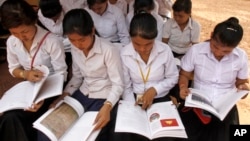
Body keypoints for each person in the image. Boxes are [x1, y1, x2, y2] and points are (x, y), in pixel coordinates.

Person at [37, 8, 124, 141]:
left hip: (104, 97)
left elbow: (118, 84)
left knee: (90, 134)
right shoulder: (75, 48)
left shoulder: (109, 50)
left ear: (92, 30)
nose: (77, 44)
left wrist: (107, 106)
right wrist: (63, 96)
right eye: (72, 40)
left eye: (82, 40)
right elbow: (77, 77)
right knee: (47, 132)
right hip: (83, 93)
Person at [0, 0, 67, 141]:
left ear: (34, 21)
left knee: (22, 119)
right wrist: (25, 74)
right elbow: (13, 69)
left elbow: (61, 74)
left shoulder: (52, 41)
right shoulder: (12, 42)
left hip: (51, 90)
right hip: (28, 89)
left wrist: (43, 97)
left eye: (24, 31)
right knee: (9, 117)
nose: (21, 37)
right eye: (14, 33)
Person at [177, 17, 249, 141]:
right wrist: (183, 87)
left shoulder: (241, 57)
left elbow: (242, 83)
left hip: (224, 107)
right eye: (215, 46)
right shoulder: (196, 51)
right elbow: (184, 74)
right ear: (211, 35)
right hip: (197, 104)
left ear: (235, 47)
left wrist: (243, 89)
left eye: (226, 51)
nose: (218, 52)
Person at [120, 12, 179, 141]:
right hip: (135, 99)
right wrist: (132, 107)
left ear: (155, 38)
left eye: (148, 44)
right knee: (131, 133)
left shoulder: (165, 50)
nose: (142, 49)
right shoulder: (124, 54)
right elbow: (126, 86)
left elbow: (173, 77)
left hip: (160, 97)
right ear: (130, 38)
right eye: (137, 44)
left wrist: (155, 90)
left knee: (165, 135)